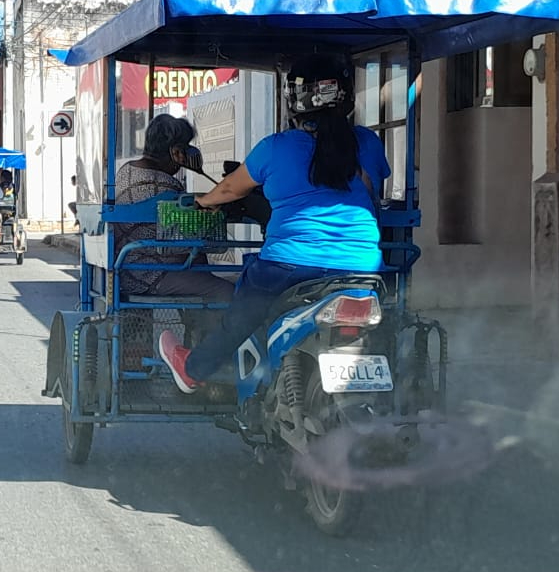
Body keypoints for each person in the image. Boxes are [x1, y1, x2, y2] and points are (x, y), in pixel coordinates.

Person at [158, 53, 391, 394]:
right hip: (362, 266)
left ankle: (195, 369)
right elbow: (373, 195)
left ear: (294, 101)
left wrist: (204, 201)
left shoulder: (275, 148)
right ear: (346, 97)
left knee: (242, 314)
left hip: (288, 266)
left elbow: (229, 188)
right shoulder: (367, 142)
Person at [114, 114, 235, 303]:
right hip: (153, 274)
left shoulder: (125, 171)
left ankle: (194, 329)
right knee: (228, 292)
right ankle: (209, 332)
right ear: (177, 152)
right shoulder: (166, 185)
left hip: (125, 269)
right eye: (185, 149)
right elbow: (187, 235)